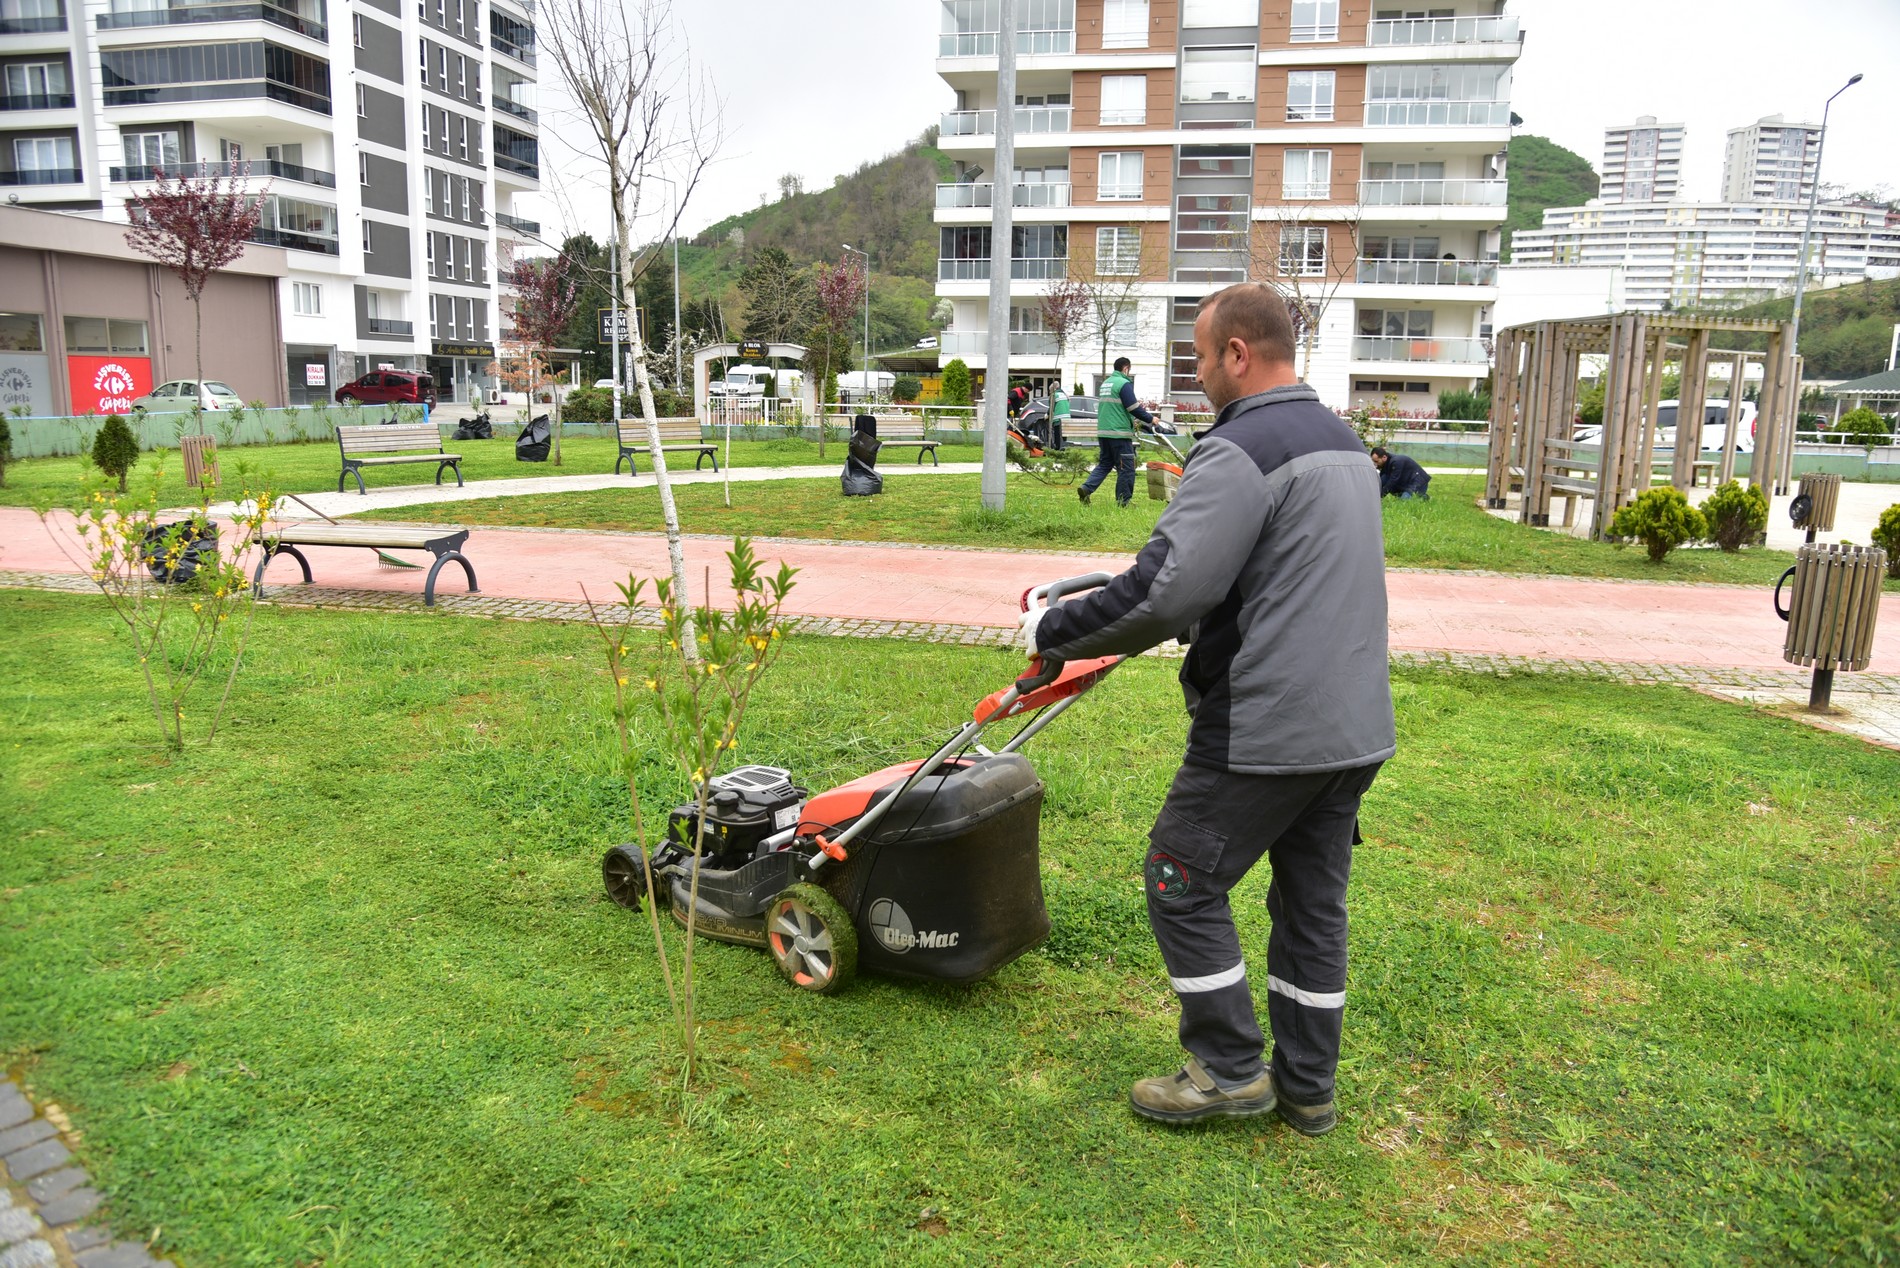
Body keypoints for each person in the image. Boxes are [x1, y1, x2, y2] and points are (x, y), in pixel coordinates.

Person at [1022, 283, 1394, 1133]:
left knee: (1178, 879)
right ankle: (1308, 1088)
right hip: (1354, 724)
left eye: (1199, 356)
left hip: (1270, 719)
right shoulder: (1340, 442)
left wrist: (1054, 629)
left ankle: (1228, 1069)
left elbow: (1164, 590)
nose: (1196, 374)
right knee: (1311, 905)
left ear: (1237, 353)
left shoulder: (1241, 448)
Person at [1078, 357, 1153, 507]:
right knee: (1126, 468)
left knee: (1105, 464)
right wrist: (1151, 419)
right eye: (1129, 370)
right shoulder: (1123, 383)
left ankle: (1086, 488)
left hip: (1104, 433)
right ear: (1126, 368)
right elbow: (1133, 407)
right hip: (1119, 433)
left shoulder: (1106, 383)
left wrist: (1131, 420)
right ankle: (1123, 502)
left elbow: (1116, 408)